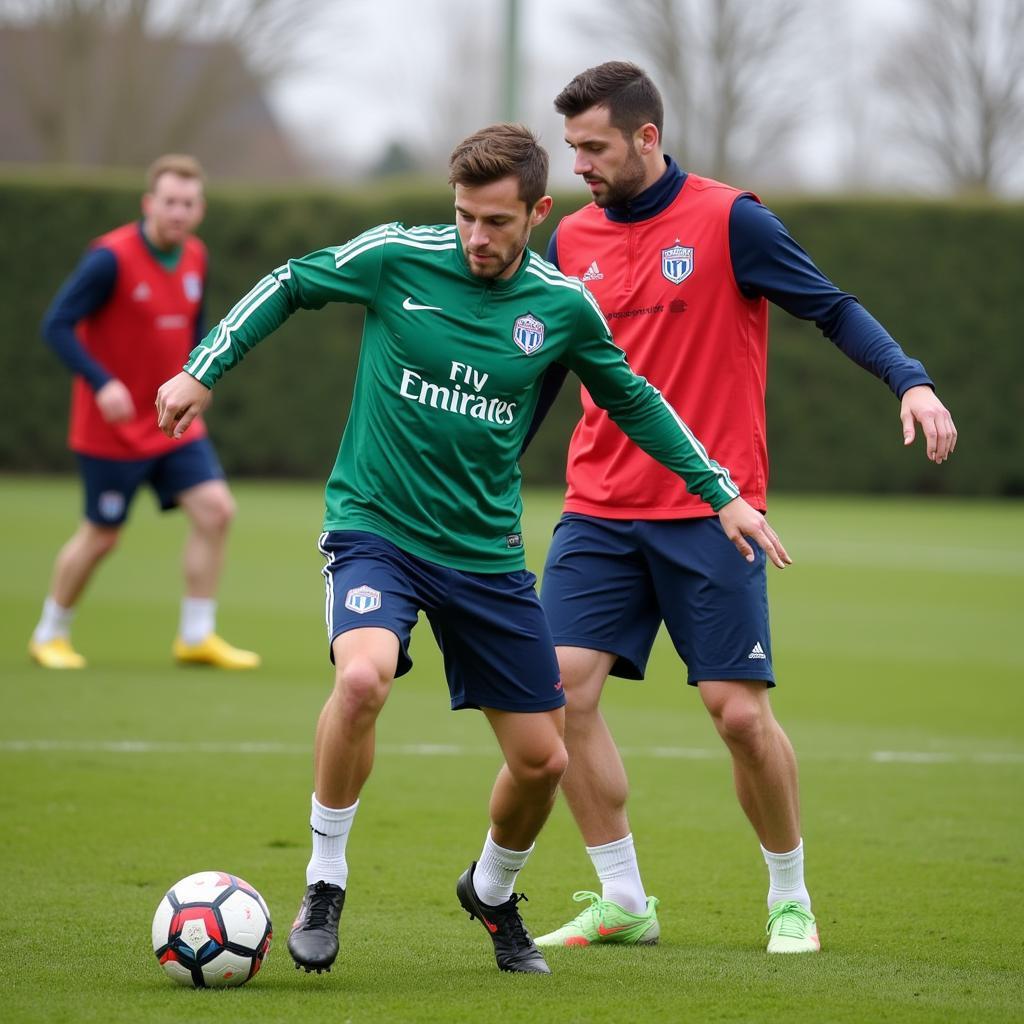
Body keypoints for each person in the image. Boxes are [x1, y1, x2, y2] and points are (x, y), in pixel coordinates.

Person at [154, 123, 790, 977]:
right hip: (376, 526)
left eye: (497, 221)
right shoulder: (399, 257)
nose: (477, 238)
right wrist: (203, 369)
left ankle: (491, 890)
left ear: (537, 211)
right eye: (465, 217)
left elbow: (634, 400)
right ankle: (325, 879)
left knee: (543, 760)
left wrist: (721, 496)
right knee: (363, 674)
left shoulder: (562, 306)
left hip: (486, 555)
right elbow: (288, 283)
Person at [528, 62, 957, 955]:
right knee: (558, 692)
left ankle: (789, 895)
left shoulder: (732, 220)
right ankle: (623, 899)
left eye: (595, 147)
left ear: (647, 137)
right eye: (572, 149)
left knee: (736, 712)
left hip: (712, 512)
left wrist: (909, 382)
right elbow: (545, 372)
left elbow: (831, 308)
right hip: (599, 508)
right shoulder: (571, 241)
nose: (581, 165)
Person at [29, 154, 259, 672]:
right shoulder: (108, 258)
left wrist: (201, 376)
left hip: (173, 420)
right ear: (149, 204)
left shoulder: (197, 257)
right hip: (111, 429)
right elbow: (57, 325)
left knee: (216, 511)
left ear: (200, 210)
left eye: (188, 203)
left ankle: (196, 636)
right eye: (169, 202)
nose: (178, 212)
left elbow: (197, 332)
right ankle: (50, 632)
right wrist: (101, 381)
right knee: (102, 534)